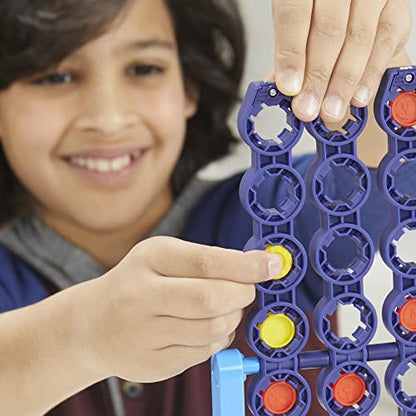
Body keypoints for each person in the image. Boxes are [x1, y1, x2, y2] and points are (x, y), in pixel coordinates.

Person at [0, 0, 412, 415]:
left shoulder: (273, 214)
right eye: (56, 76)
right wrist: (81, 335)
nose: (109, 119)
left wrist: (370, 67)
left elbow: (382, 174)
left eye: (144, 69)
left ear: (189, 88)